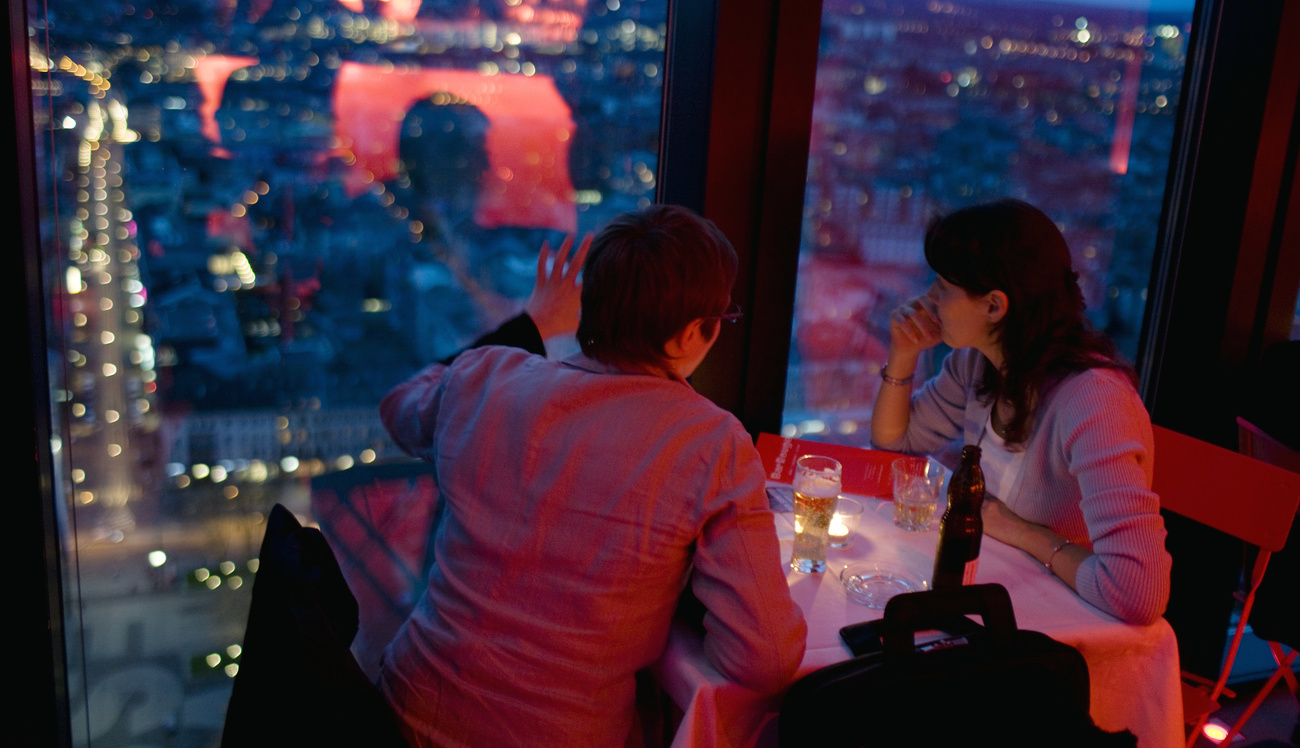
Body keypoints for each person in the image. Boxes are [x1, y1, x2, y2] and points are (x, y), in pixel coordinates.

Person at [378, 205, 807, 748]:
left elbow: (399, 406)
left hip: (398, 711)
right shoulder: (710, 442)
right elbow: (764, 659)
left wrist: (530, 324)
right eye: (719, 320)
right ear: (686, 336)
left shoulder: (484, 377)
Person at [871, 198, 1171, 625]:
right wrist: (903, 353)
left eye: (943, 286)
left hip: (1065, 625)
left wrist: (1024, 533)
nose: (928, 298)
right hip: (995, 594)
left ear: (994, 306)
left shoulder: (1095, 402)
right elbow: (896, 441)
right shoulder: (978, 362)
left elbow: (1137, 593)